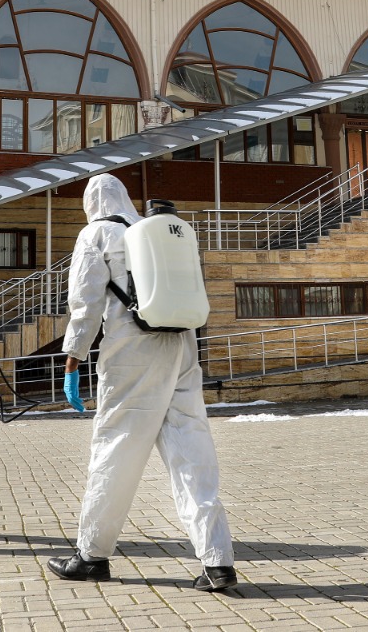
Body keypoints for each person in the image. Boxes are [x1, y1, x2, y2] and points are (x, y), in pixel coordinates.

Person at [46, 174, 237, 592]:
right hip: (182, 347)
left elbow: (86, 300)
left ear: (91, 202)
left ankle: (92, 556)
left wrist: (74, 355)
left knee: (116, 451)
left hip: (132, 353)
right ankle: (217, 561)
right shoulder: (156, 230)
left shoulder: (97, 233)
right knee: (193, 452)